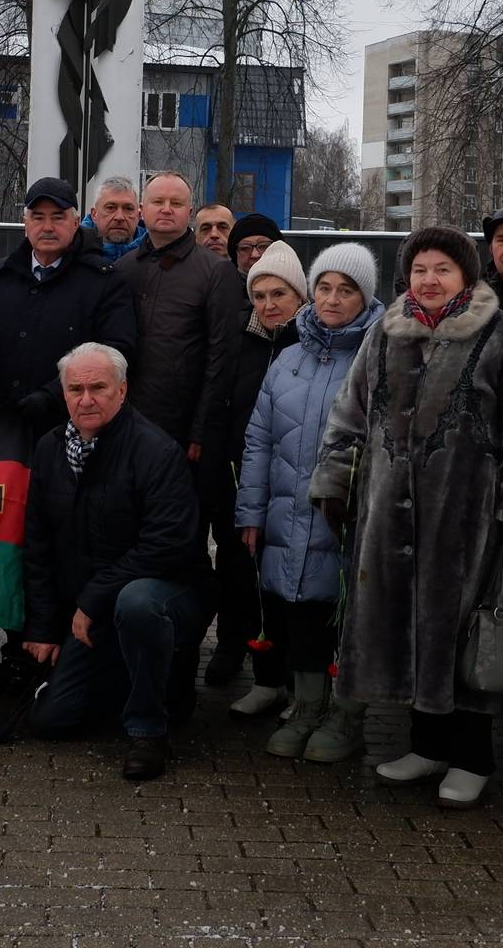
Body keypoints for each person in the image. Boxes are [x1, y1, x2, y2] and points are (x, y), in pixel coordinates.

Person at [310, 226, 503, 810]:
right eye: (420, 269)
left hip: (468, 519)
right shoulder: (384, 334)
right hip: (388, 517)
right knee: (405, 629)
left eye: (442, 269)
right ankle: (426, 745)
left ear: (466, 276)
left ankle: (472, 758)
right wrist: (335, 481)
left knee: (460, 634)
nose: (430, 279)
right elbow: (349, 416)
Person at [0, 177, 138, 691]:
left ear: (76, 221)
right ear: (25, 222)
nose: (47, 226)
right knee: (17, 544)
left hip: (75, 439)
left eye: (58, 216)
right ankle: (20, 651)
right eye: (38, 216)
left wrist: (50, 392)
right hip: (7, 440)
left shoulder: (102, 279)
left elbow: (118, 347)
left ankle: (68, 654)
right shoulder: (0, 277)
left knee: (68, 542)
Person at [21, 343, 210, 780]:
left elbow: (168, 544)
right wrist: (44, 627)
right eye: (75, 389)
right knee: (50, 721)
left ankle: (148, 731)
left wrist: (91, 600)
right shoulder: (51, 450)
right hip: (93, 611)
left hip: (166, 592)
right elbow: (39, 544)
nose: (86, 399)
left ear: (122, 391)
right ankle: (130, 677)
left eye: (99, 388)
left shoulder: (154, 449)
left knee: (138, 602)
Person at [236, 243, 381, 763]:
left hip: (348, 517)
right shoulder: (289, 358)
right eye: (324, 288)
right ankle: (305, 708)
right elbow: (259, 441)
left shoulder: (379, 355)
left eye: (346, 290)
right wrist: (250, 512)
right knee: (297, 613)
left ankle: (347, 717)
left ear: (365, 296)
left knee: (345, 615)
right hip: (287, 514)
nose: (332, 299)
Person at [116, 171, 248, 685]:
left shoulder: (215, 274)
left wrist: (201, 432)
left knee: (183, 552)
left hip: (185, 440)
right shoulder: (125, 269)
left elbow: (221, 359)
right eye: (157, 201)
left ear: (189, 212)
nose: (166, 210)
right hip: (131, 433)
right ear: (143, 209)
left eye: (177, 202)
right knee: (130, 542)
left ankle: (179, 671)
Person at [217, 240, 308, 716]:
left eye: (280, 294)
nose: (269, 305)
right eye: (260, 295)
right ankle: (266, 677)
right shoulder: (239, 337)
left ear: (299, 295)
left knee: (296, 587)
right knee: (251, 583)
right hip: (246, 477)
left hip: (298, 485)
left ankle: (300, 683)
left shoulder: (311, 341)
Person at [88, 176, 146, 263]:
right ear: (94, 214)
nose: (119, 217)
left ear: (139, 216)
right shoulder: (72, 255)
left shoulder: (155, 256)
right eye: (110, 208)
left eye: (128, 209)